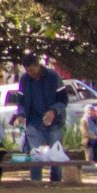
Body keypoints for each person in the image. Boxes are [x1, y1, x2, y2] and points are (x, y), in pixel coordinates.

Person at [13, 54, 66, 183]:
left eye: (32, 70)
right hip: (33, 122)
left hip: (54, 122)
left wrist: (53, 111)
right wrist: (20, 114)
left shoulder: (53, 77)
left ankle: (56, 181)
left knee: (55, 154)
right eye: (27, 71)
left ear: (38, 65)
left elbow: (63, 99)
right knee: (35, 154)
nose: (30, 73)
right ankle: (36, 181)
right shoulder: (24, 79)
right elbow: (21, 101)